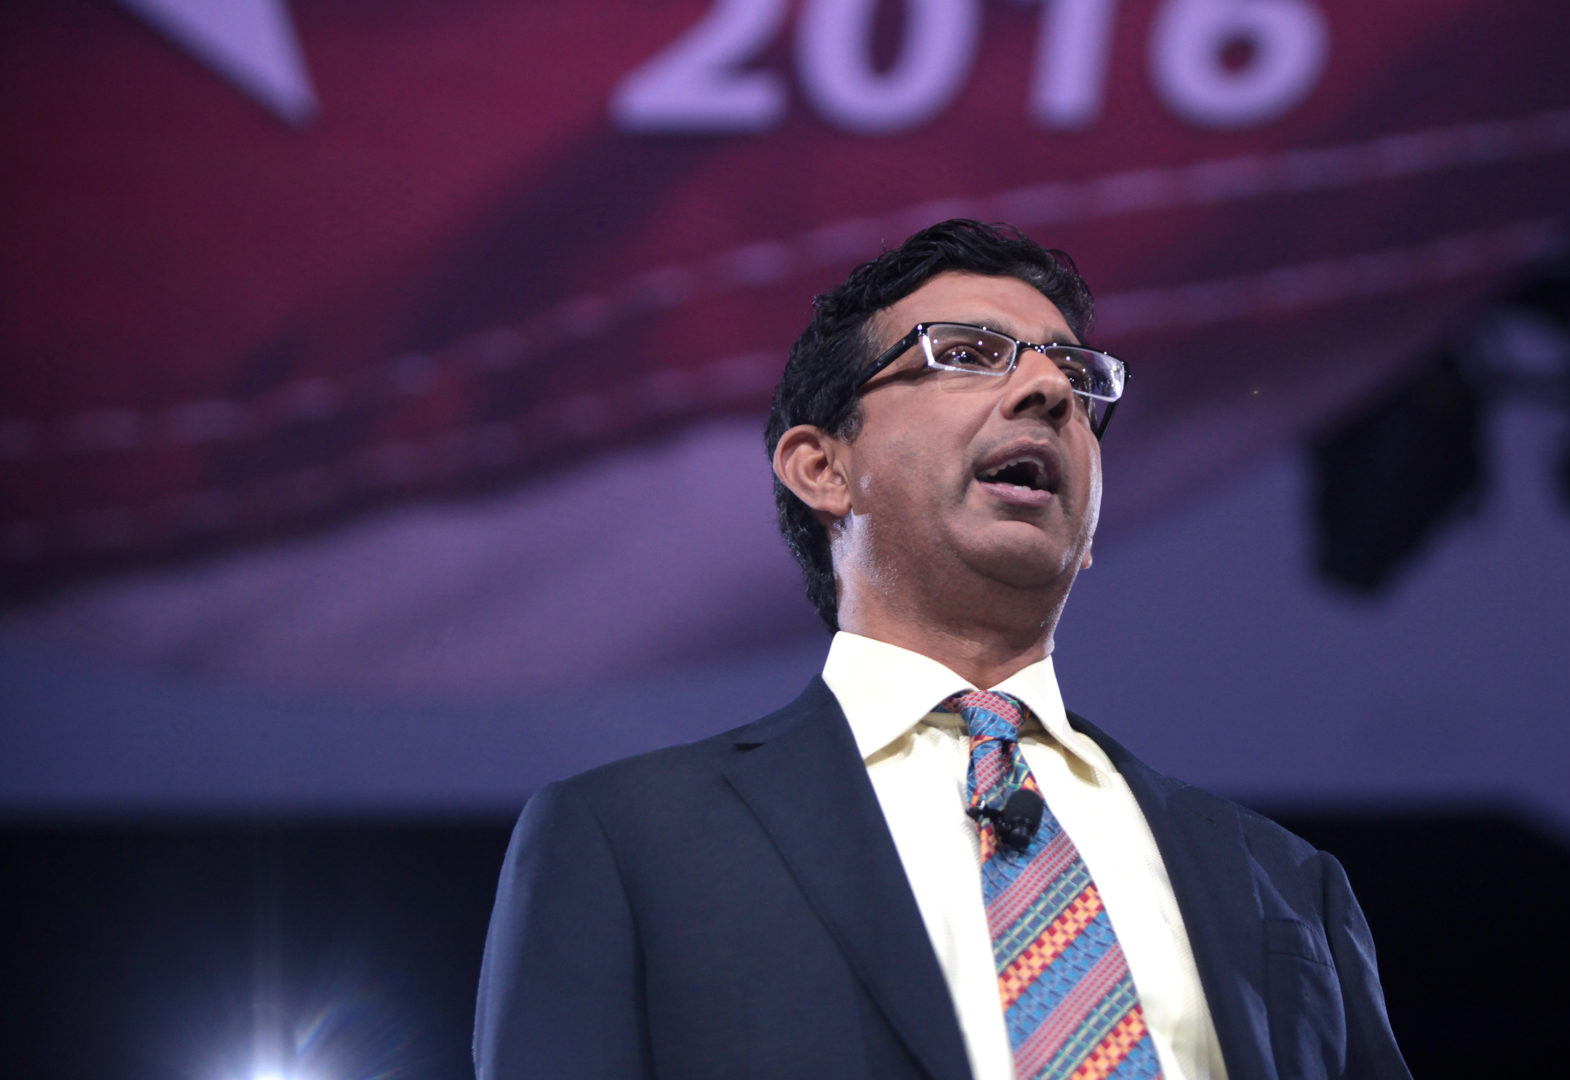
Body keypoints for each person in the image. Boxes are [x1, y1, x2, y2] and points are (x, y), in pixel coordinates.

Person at [474, 220, 1411, 1079]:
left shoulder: (1287, 884)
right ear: (824, 468)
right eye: (967, 356)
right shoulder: (628, 842)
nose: (1050, 391)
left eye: (1079, 383)